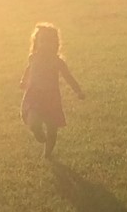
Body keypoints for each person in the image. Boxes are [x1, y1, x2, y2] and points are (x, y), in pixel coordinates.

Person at [19, 22, 84, 159]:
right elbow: (29, 69)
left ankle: (47, 155)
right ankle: (37, 132)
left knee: (52, 129)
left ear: (55, 43)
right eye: (42, 41)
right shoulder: (33, 58)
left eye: (50, 41)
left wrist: (78, 91)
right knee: (33, 121)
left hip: (51, 98)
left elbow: (68, 77)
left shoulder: (57, 62)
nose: (45, 44)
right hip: (34, 95)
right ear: (36, 42)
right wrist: (24, 80)